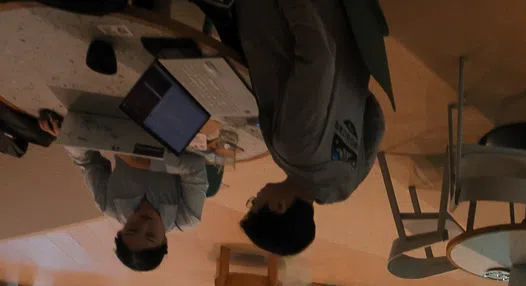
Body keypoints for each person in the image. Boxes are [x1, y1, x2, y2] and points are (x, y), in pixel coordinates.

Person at [234, 0, 385, 257]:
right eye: (255, 204)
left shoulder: (343, 186)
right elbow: (319, 57)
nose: (255, 196)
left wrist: (348, 91)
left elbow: (377, 122)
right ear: (279, 206)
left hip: (354, 27)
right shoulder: (295, 147)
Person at [65, 148, 207, 271]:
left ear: (121, 231)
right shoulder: (186, 217)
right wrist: (147, 163)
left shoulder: (109, 206)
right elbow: (195, 167)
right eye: (151, 235)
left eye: (132, 229)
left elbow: (88, 162)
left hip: (128, 131)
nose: (144, 223)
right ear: (164, 241)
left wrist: (67, 135)